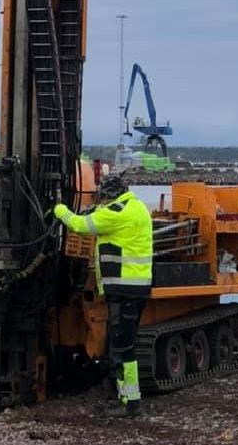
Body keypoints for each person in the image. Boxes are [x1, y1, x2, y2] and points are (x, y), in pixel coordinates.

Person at [53, 174, 153, 417]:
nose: (103, 202)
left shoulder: (116, 214)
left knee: (122, 347)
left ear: (112, 195)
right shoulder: (135, 206)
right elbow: (105, 213)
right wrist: (97, 208)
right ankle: (125, 397)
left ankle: (130, 404)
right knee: (121, 344)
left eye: (104, 198)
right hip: (135, 288)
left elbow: (80, 225)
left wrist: (59, 210)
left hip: (124, 289)